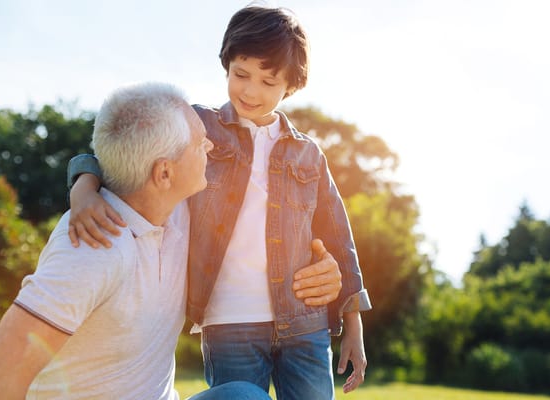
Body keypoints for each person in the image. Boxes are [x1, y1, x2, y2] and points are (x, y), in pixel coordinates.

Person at [67, 5, 371, 400]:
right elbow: (119, 146)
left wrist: (354, 327)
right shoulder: (197, 126)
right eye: (241, 74)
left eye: (268, 81)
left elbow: (339, 241)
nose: (250, 90)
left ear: (290, 85)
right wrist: (83, 187)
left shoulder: (308, 153)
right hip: (230, 324)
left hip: (305, 323)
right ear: (227, 64)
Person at [0, 82, 271, 400]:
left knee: (244, 397)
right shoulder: (92, 244)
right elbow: (1, 374)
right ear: (164, 173)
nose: (209, 147)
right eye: (198, 144)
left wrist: (83, 180)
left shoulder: (179, 211)